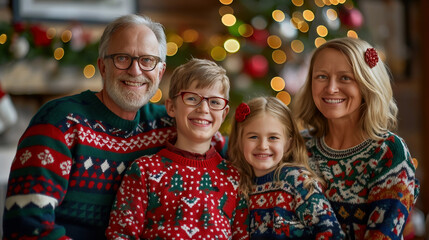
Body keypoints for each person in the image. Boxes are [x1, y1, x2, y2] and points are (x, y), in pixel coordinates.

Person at [2, 15, 226, 240]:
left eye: (147, 60)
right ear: (103, 66)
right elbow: (26, 224)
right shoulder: (60, 121)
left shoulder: (173, 124)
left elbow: (239, 154)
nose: (135, 71)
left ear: (160, 71)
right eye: (122, 58)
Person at [105, 58, 248, 240]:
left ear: (224, 113)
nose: (203, 108)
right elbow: (120, 235)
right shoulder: (145, 170)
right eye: (191, 98)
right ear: (171, 107)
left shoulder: (234, 177)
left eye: (214, 102)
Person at [293, 37, 420, 239]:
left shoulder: (389, 152)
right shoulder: (297, 145)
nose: (331, 88)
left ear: (367, 85)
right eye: (321, 76)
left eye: (345, 78)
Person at [228, 96, 345, 239]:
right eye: (253, 137)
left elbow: (331, 232)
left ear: (288, 144)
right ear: (239, 141)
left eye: (273, 138)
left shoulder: (297, 181)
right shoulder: (239, 185)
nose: (263, 146)